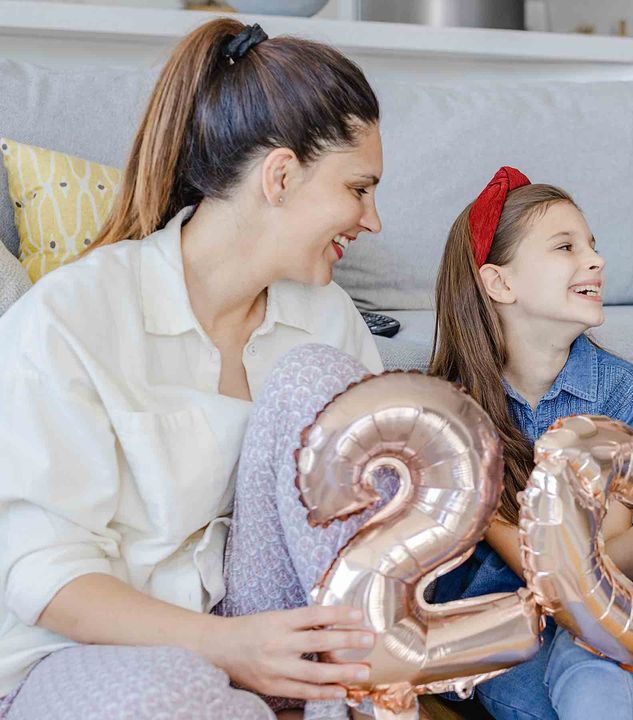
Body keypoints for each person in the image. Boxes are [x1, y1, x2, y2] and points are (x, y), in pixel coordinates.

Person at [0, 19, 385, 720]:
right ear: (280, 175)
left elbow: (373, 523)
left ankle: (357, 703)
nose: (373, 219)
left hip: (267, 637)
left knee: (316, 377)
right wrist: (228, 647)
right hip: (79, 655)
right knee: (176, 700)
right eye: (359, 189)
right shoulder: (72, 316)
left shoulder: (329, 320)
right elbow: (47, 577)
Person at [426, 167, 633, 720]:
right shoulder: (455, 412)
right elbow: (545, 573)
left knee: (590, 648)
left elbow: (605, 575)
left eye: (592, 244)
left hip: (607, 593)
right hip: (501, 605)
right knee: (530, 697)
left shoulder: (622, 394)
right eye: (566, 247)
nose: (596, 259)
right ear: (499, 283)